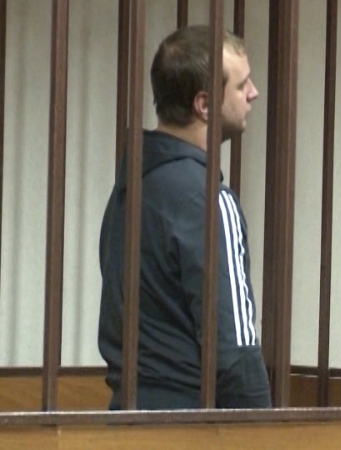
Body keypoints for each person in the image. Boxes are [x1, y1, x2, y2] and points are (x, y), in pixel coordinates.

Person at [98, 24, 271, 410]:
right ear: (204, 105)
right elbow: (234, 347)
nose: (253, 92)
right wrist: (263, 432)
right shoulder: (208, 199)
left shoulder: (130, 189)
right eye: (242, 84)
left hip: (125, 419)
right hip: (190, 423)